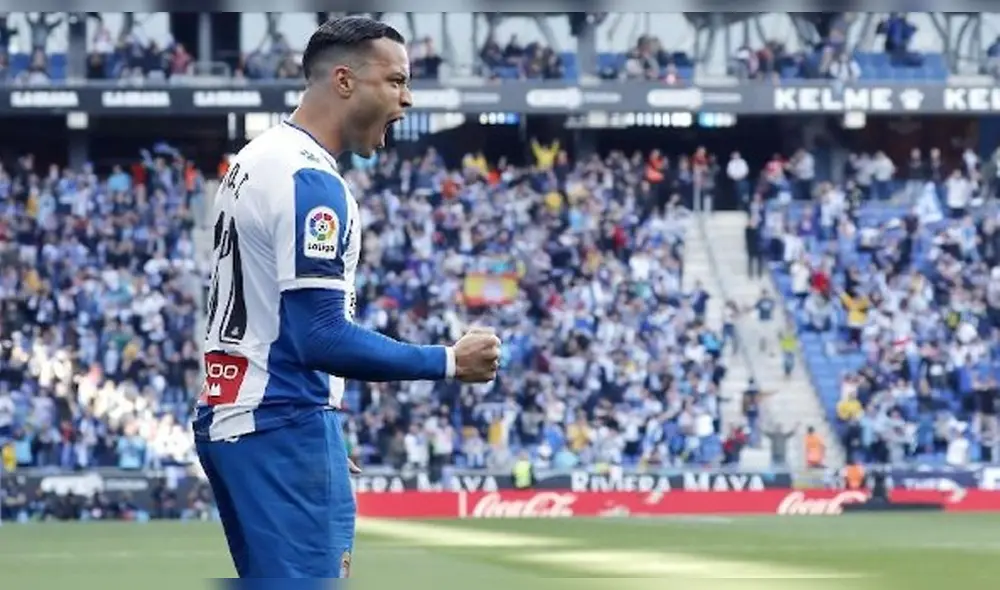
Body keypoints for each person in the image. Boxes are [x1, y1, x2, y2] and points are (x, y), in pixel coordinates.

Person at [193, 16, 502, 580]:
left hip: (238, 416)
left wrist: (320, 429)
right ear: (344, 81)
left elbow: (270, 321)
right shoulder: (312, 182)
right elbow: (321, 337)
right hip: (280, 425)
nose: (407, 99)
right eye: (397, 81)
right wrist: (449, 362)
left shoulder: (252, 160)